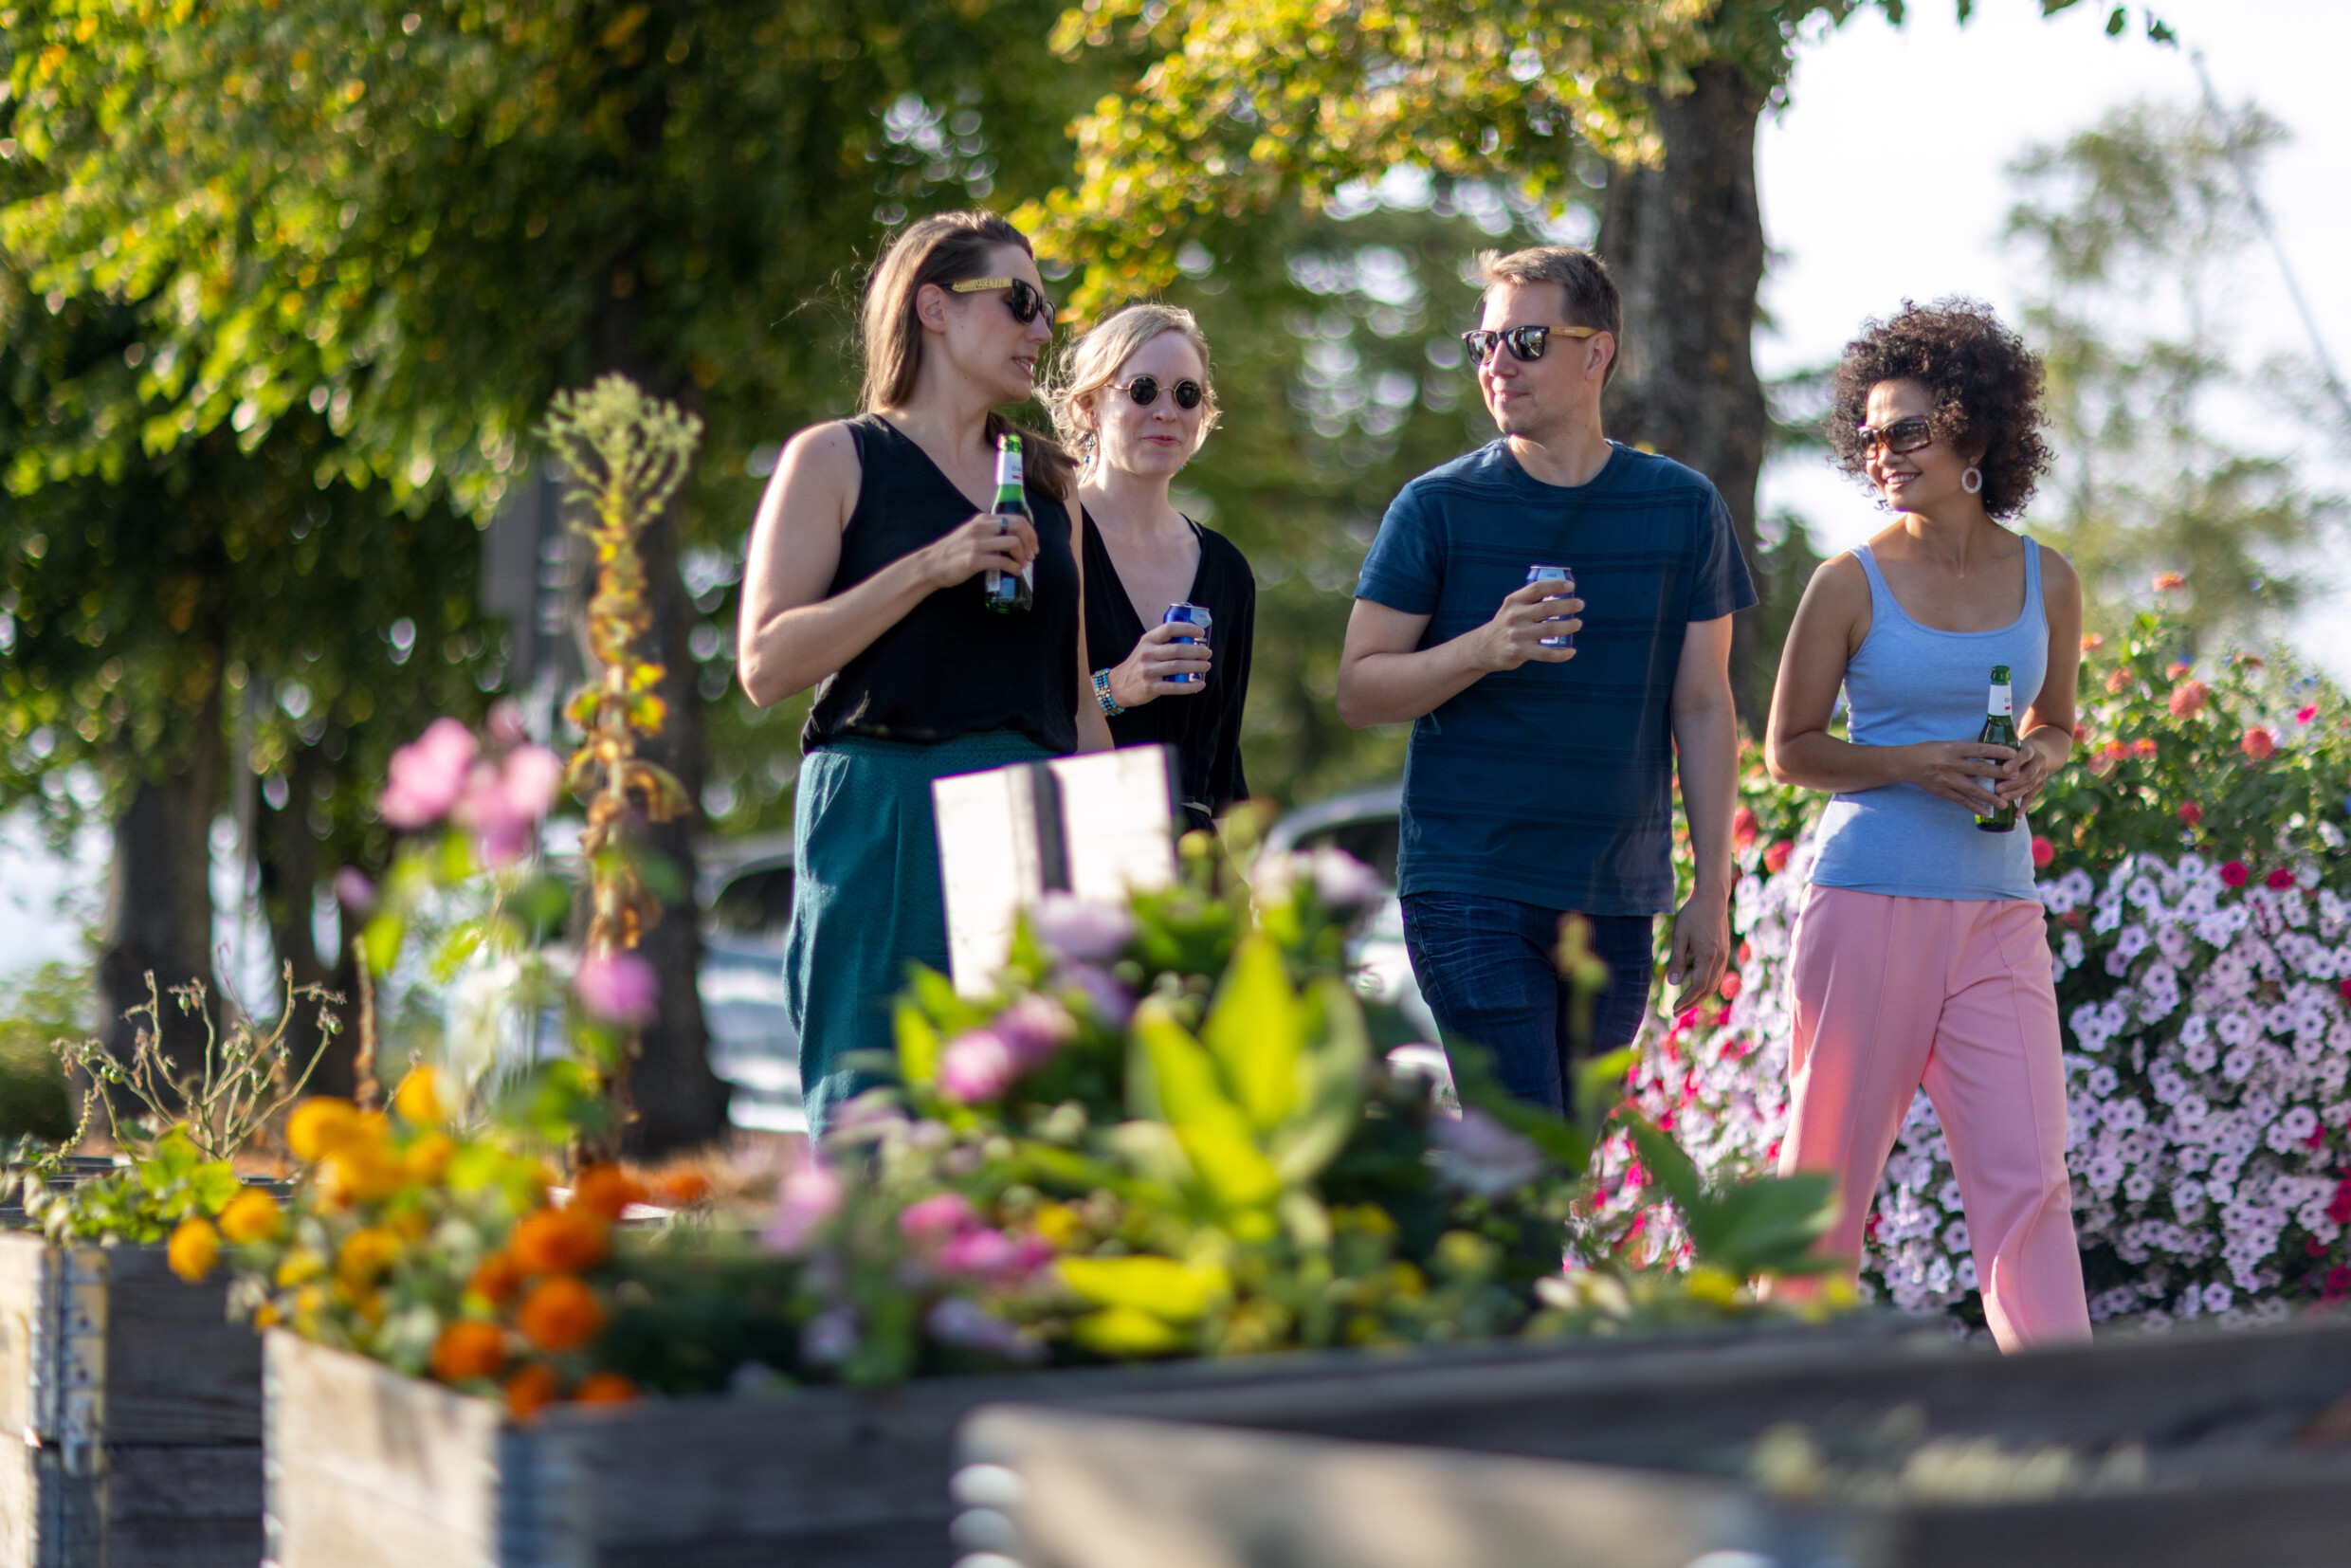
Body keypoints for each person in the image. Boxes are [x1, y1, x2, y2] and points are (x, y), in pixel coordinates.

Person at [1336, 246, 1755, 1116]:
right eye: (1483, 343)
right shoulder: (1436, 507)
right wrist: (1482, 648)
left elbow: (1704, 704)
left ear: (1596, 352)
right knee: (1527, 1143)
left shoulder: (1683, 507)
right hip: (1469, 884)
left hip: (1615, 896)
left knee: (1562, 1161)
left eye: (1525, 341)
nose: (1498, 363)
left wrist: (1710, 889)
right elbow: (1360, 690)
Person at [738, 211, 1112, 1138]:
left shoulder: (1049, 482)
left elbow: (1076, 698)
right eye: (1019, 301)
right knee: (876, 1119)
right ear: (934, 307)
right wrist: (929, 569)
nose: (1041, 329)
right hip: (885, 809)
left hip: (1028, 811)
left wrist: (1115, 868)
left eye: (1047, 308)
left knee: (1034, 1135)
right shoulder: (836, 458)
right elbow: (765, 664)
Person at [1764, 298, 2090, 1350]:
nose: (1883, 454)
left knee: (2029, 1182)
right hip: (1866, 904)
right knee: (1824, 1182)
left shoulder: (2047, 579)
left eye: (1906, 430)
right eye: (1868, 437)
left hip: (1999, 911)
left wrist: (2036, 759)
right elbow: (1789, 749)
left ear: (1973, 434)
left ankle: (2068, 1418)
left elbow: (2056, 723)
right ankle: (1776, 1405)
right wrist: (1913, 763)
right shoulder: (1845, 583)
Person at [1047, 301, 1255, 833]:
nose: (1166, 412)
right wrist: (1114, 688)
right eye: (1143, 390)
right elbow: (1002, 711)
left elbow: (1224, 765)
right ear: (1088, 407)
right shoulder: (1046, 536)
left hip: (1189, 859)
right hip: (1073, 842)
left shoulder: (1227, 569)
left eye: (1186, 395)